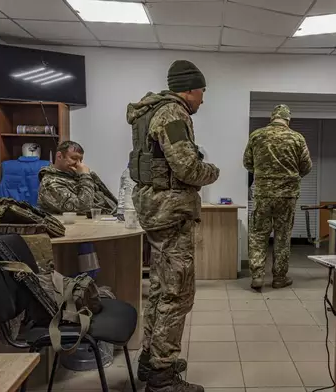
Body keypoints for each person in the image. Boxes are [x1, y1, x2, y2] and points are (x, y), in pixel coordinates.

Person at [127, 60, 220, 392]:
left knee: (159, 289)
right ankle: (162, 377)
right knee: (178, 292)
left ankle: (151, 360)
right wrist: (213, 171)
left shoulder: (150, 112)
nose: (203, 100)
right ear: (190, 89)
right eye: (202, 92)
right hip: (171, 212)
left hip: (155, 210)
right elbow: (187, 168)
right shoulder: (173, 114)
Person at [244, 104, 312, 291]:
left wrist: (263, 175)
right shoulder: (297, 138)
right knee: (283, 236)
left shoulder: (257, 135)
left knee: (258, 235)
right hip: (287, 195)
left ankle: (257, 276)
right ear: (288, 119)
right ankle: (279, 278)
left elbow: (247, 162)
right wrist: (289, 176)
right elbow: (306, 166)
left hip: (263, 194)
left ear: (272, 118)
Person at [37, 140, 117, 215]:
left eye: (80, 160)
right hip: (79, 226)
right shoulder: (50, 183)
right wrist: (85, 176)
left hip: (109, 217)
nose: (78, 164)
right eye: (74, 158)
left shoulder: (76, 174)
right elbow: (83, 208)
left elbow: (108, 197)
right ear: (59, 156)